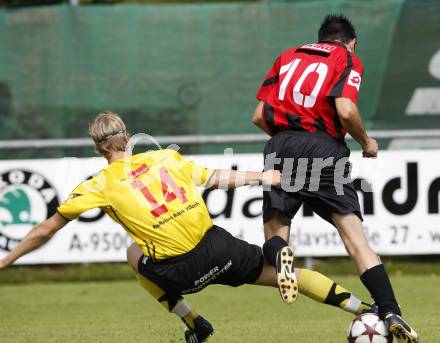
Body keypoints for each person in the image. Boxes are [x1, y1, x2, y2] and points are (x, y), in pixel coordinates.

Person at [1, 111, 375, 343]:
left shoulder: (97, 185)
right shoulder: (166, 158)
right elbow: (216, 177)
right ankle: (366, 310)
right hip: (220, 250)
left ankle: (194, 323)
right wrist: (264, 176)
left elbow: (46, 229)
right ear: (127, 138)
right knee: (278, 271)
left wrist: (8, 259)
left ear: (100, 150)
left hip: (178, 271)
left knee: (133, 254)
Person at [251, 14, 418, 343]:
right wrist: (366, 142)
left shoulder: (287, 56)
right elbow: (345, 110)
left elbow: (258, 115)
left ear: (321, 36)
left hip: (282, 144)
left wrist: (289, 139)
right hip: (324, 147)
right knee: (354, 238)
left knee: (275, 228)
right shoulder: (347, 58)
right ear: (350, 40)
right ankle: (390, 308)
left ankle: (281, 254)